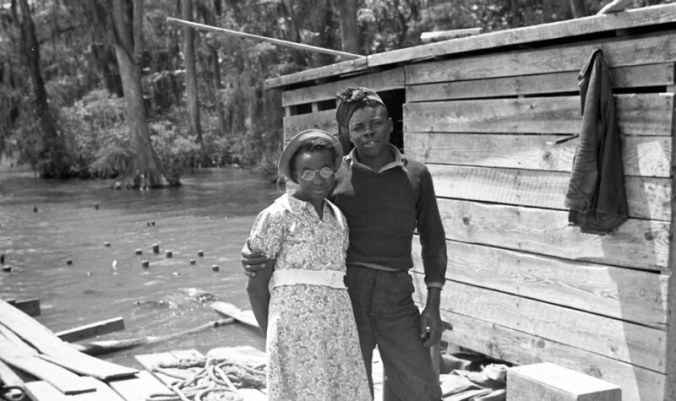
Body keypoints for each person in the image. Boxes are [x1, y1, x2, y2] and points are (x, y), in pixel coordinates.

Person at [244, 87, 447, 401]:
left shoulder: (416, 175)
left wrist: (433, 303)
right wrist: (252, 252)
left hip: (396, 295)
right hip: (346, 297)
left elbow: (433, 240)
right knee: (349, 388)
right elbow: (297, 217)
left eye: (376, 123)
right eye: (358, 128)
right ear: (348, 134)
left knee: (423, 390)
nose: (368, 132)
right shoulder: (333, 175)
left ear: (391, 124)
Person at [245, 129, 372, 401]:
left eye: (325, 170)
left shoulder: (338, 218)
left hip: (339, 326)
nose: (318, 179)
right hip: (294, 331)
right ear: (295, 175)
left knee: (343, 390)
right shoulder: (277, 215)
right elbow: (255, 287)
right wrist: (273, 337)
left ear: (335, 171)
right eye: (307, 172)